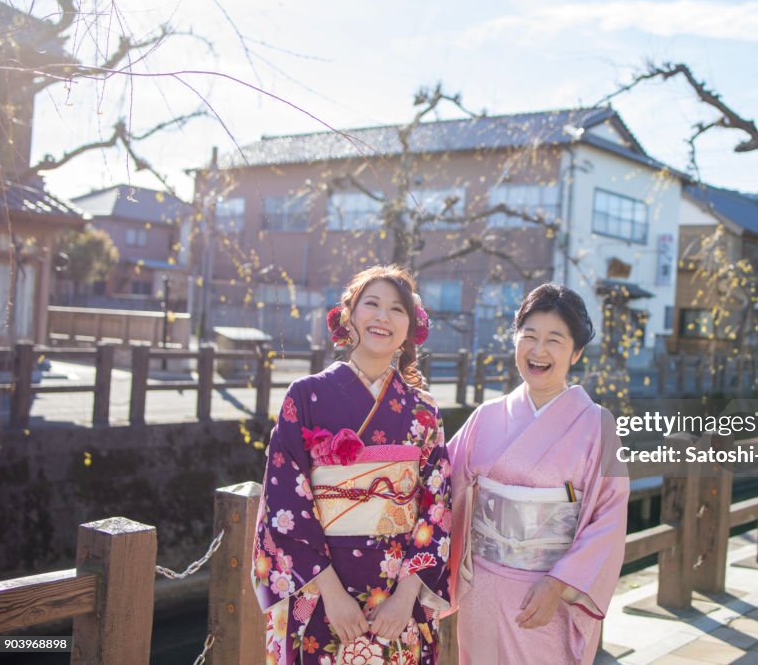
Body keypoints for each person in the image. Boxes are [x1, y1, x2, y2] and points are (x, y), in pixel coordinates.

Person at [252, 265, 452, 665]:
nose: (382, 317)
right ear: (348, 315)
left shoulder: (424, 411)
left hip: (396, 597)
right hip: (318, 587)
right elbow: (284, 499)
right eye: (371, 304)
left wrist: (406, 597)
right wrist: (331, 592)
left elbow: (437, 507)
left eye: (396, 309)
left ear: (411, 326)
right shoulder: (306, 396)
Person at [448, 283, 629, 665]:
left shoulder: (598, 426)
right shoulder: (486, 417)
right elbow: (440, 485)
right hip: (481, 587)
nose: (538, 350)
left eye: (554, 340)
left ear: (576, 352)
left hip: (548, 596)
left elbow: (608, 521)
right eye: (528, 336)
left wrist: (560, 583)